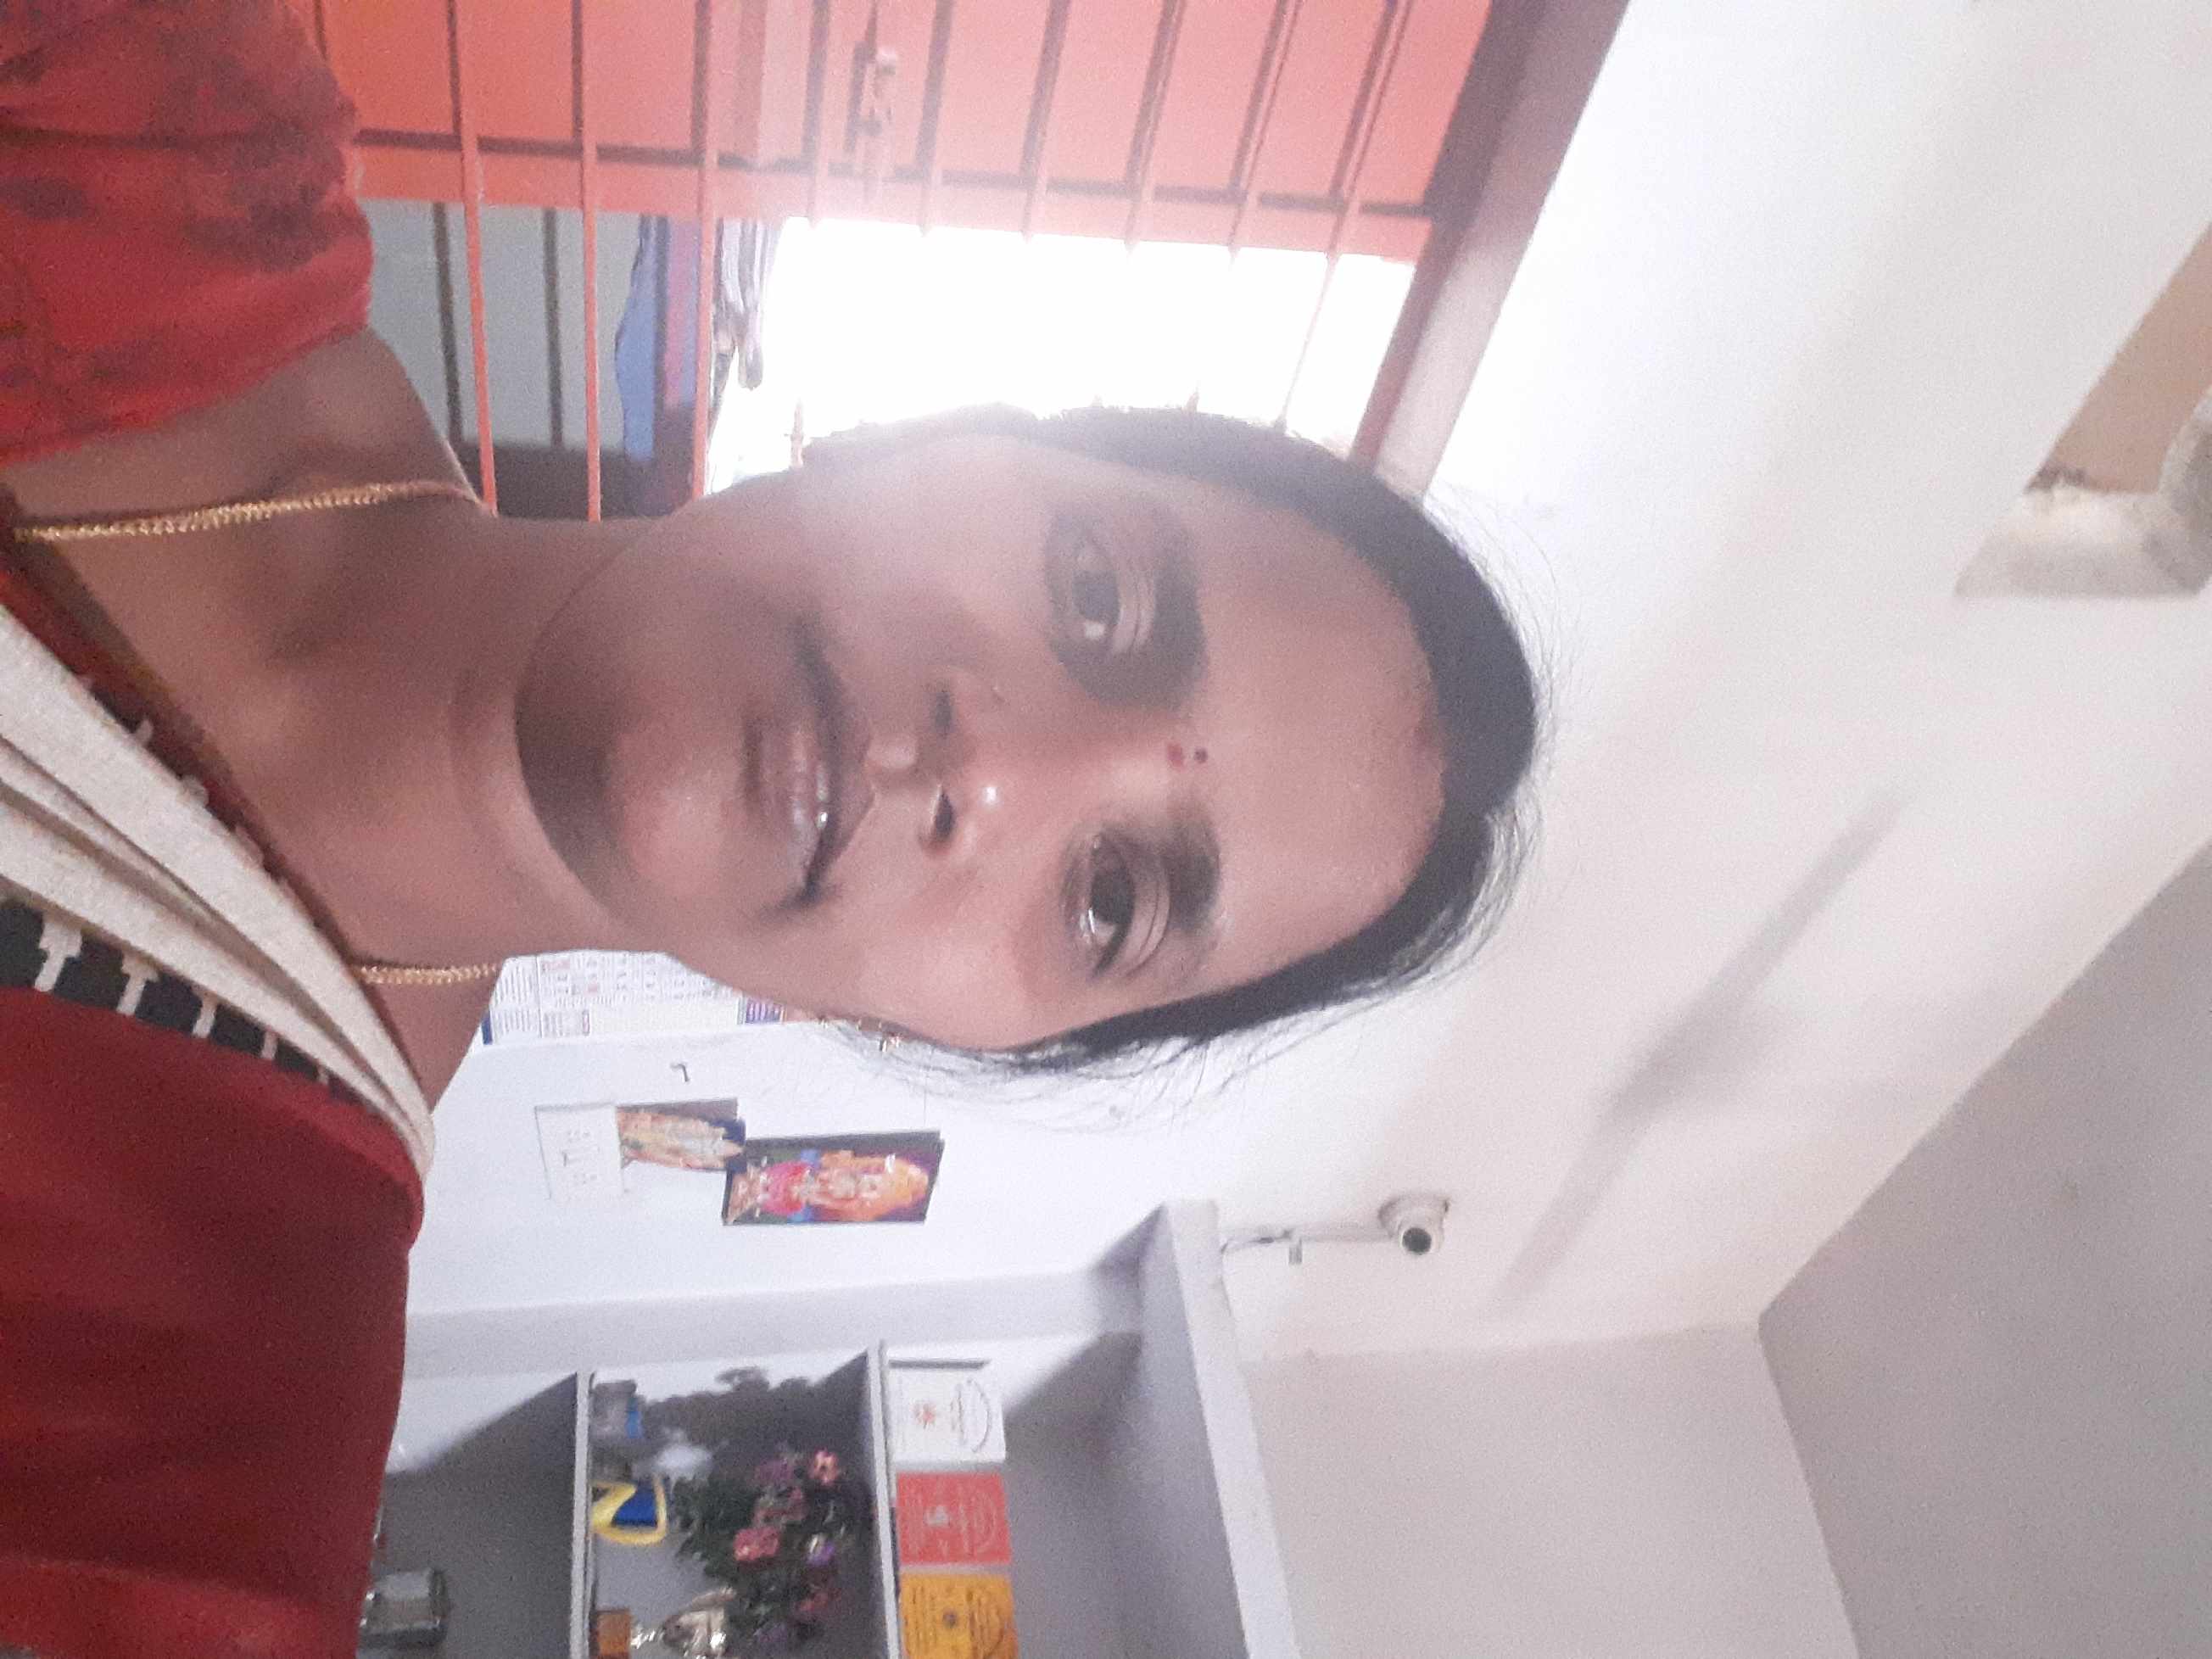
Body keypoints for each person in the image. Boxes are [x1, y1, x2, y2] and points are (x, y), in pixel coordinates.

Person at [0, 2, 1536, 1653]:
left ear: (937, 1036)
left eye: (1112, 899)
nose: (991, 774)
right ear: (921, 429)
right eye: (1095, 592)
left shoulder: (181, 1472)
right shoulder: (140, 109)